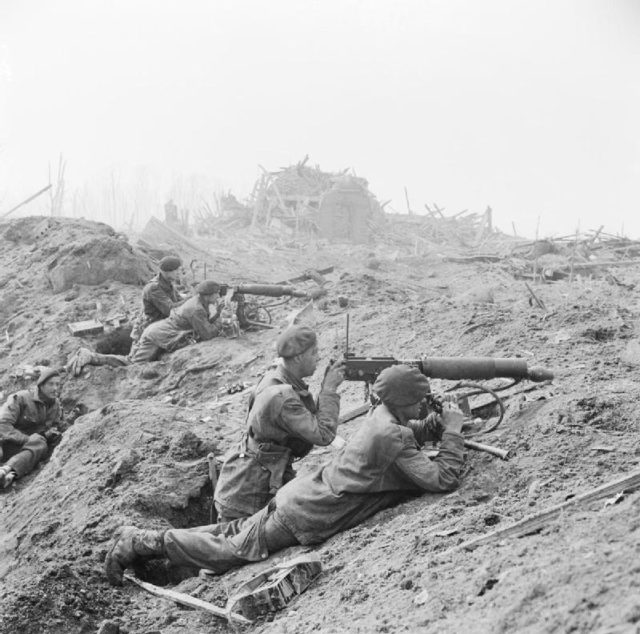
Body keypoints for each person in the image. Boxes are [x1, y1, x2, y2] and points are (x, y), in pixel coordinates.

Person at [105, 364, 466, 586]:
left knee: (230, 532)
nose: (423, 405)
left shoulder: (382, 418)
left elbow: (397, 444)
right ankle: (141, 543)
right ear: (402, 401)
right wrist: (450, 432)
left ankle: (146, 540)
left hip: (303, 496)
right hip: (306, 513)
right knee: (231, 548)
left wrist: (431, 425)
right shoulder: (393, 432)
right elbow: (442, 480)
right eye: (419, 400)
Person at [214, 325, 345, 523]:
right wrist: (329, 389)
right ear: (299, 357)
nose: (318, 357)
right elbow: (324, 434)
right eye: (314, 352)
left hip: (253, 480)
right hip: (248, 496)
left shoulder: (275, 378)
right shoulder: (281, 396)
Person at [66, 280, 224, 373]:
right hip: (156, 335)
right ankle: (92, 357)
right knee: (132, 364)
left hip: (161, 332)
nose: (218, 296)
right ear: (207, 295)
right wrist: (221, 318)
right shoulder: (195, 309)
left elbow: (206, 324)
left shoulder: (200, 302)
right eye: (216, 294)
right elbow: (208, 334)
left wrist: (218, 313)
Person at [0, 369, 63, 488]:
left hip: (25, 449)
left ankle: (7, 472)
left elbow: (52, 427)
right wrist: (27, 439)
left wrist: (49, 435)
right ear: (41, 385)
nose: (55, 388)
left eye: (57, 384)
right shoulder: (21, 398)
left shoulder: (56, 407)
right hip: (5, 442)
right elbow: (3, 426)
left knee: (41, 445)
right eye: (51, 384)